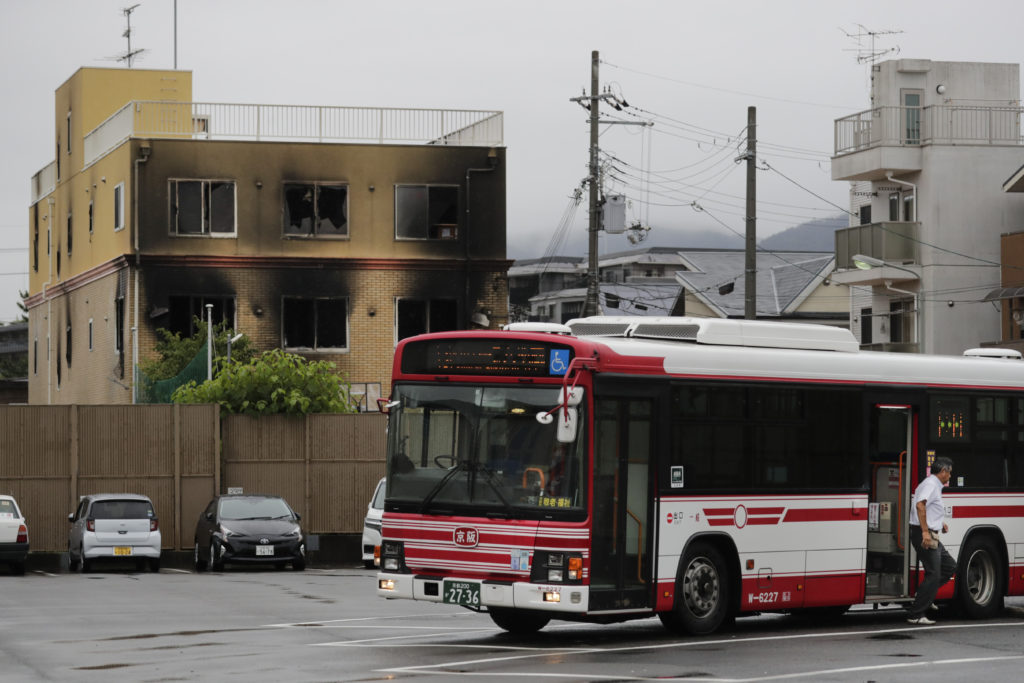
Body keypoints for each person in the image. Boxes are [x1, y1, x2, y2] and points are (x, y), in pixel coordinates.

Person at [906, 457, 957, 625]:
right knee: (933, 573)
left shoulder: (934, 485)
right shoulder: (930, 484)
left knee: (950, 567)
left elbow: (927, 508)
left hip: (932, 533)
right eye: (949, 472)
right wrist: (926, 531)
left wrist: (939, 523)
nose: (950, 476)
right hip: (924, 534)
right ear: (943, 471)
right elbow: (920, 505)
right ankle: (916, 614)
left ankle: (927, 595)